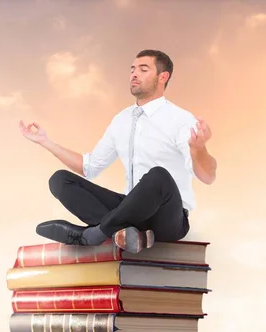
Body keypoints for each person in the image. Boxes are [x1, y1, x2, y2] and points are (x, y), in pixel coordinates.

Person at [19, 49, 217, 253]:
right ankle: (126, 234)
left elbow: (208, 176)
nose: (134, 74)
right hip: (130, 212)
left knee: (158, 176)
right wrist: (46, 142)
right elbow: (89, 167)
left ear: (162, 77)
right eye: (132, 69)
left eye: (143, 69)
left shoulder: (180, 119)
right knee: (60, 180)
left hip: (167, 218)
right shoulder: (121, 120)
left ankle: (94, 234)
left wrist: (199, 149)